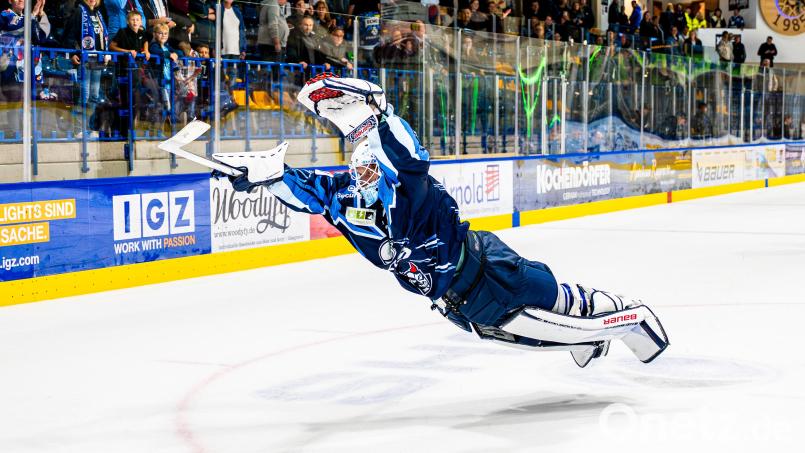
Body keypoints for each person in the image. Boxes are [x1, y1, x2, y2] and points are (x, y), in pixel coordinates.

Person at [212, 73, 670, 368]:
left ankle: (622, 311)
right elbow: (313, 193)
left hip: (492, 271)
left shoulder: (415, 194)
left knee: (557, 298)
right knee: (537, 337)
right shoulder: (355, 211)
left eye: (373, 169)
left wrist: (380, 115)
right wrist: (266, 177)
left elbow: (412, 158)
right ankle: (589, 341)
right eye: (361, 172)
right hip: (461, 308)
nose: (365, 177)